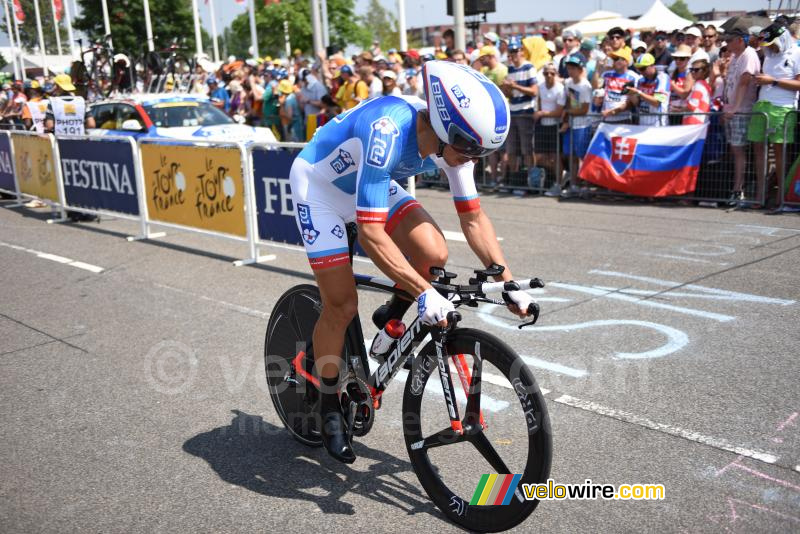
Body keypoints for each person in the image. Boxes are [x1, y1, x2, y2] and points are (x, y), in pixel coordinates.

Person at [288, 61, 534, 464]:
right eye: (470, 150)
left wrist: (508, 282)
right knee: (341, 305)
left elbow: (472, 217)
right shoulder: (387, 130)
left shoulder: (455, 141)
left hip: (371, 182)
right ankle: (330, 405)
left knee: (434, 253)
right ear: (442, 128)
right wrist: (425, 292)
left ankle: (393, 317)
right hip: (320, 189)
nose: (472, 159)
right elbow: (371, 234)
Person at [748, 23, 800, 208]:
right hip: (762, 105)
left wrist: (774, 81)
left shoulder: (796, 52)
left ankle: (780, 196)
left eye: (772, 43)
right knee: (758, 150)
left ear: (783, 38)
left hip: (783, 108)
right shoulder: (768, 54)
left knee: (780, 153)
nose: (769, 47)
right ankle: (760, 194)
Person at [721, 28, 760, 205]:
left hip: (742, 110)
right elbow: (730, 83)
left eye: (729, 40)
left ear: (739, 40)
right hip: (731, 109)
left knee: (739, 151)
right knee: (734, 150)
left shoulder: (749, 54)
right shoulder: (736, 57)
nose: (726, 44)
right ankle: (737, 188)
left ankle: (739, 190)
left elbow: (745, 81)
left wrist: (735, 107)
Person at [501, 36, 538, 183]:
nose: (513, 54)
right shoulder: (510, 69)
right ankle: (515, 179)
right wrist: (506, 88)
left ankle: (531, 179)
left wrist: (515, 86)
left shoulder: (529, 67)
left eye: (516, 51)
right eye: (511, 51)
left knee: (526, 150)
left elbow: (534, 91)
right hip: (513, 112)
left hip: (525, 112)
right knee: (511, 150)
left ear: (521, 51)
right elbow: (510, 95)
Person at [560, 54, 593, 196]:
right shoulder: (568, 83)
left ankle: (585, 185)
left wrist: (568, 112)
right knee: (571, 155)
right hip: (572, 124)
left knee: (582, 156)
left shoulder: (586, 86)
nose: (570, 71)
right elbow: (568, 100)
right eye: (568, 68)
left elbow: (584, 109)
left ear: (580, 69)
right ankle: (573, 185)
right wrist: (566, 119)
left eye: (573, 68)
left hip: (583, 125)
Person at [535, 62, 566, 195]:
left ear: (556, 74)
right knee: (540, 156)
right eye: (546, 73)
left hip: (555, 125)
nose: (549, 75)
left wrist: (542, 113)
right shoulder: (540, 87)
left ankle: (558, 183)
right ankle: (559, 175)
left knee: (555, 156)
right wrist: (540, 113)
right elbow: (539, 104)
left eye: (552, 73)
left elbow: (559, 111)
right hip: (542, 126)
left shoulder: (560, 88)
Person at [628, 53, 670, 126]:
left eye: (643, 68)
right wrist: (630, 94)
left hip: (658, 123)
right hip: (643, 122)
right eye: (639, 69)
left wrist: (638, 92)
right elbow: (637, 103)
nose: (641, 72)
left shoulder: (663, 78)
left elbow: (657, 102)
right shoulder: (640, 80)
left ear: (652, 66)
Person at [601, 48, 639, 123]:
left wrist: (614, 111)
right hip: (606, 118)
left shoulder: (634, 77)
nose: (615, 61)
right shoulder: (606, 74)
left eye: (618, 59)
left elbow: (634, 102)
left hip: (624, 119)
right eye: (614, 59)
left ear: (626, 61)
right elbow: (596, 88)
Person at [683, 59, 712, 125]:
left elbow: (691, 107)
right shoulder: (704, 85)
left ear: (704, 71)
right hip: (700, 123)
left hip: (693, 124)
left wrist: (677, 110)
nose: (693, 72)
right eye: (691, 69)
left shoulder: (699, 85)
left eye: (696, 70)